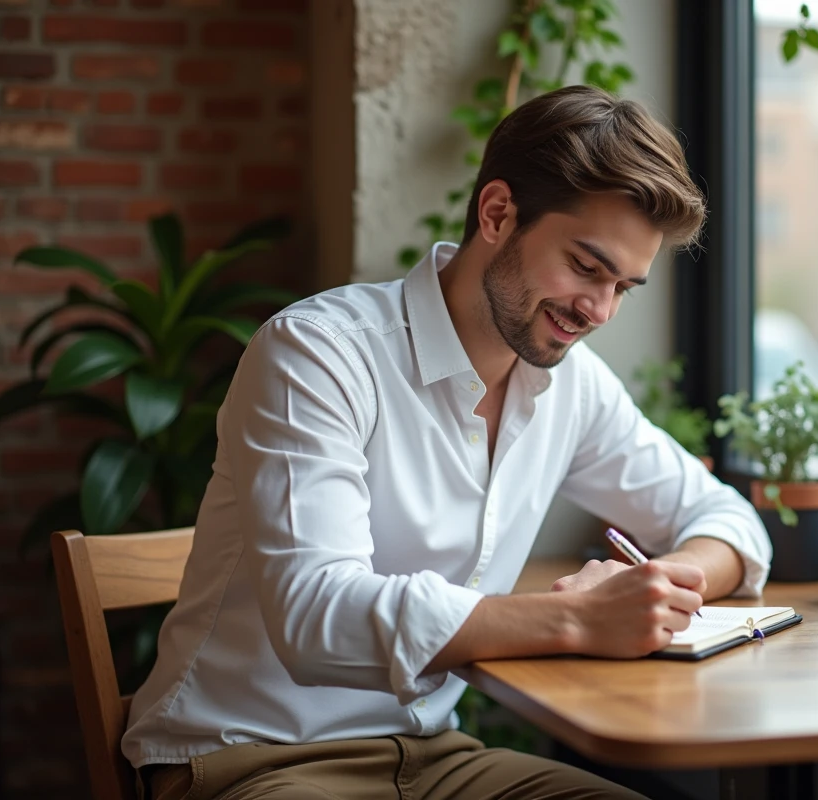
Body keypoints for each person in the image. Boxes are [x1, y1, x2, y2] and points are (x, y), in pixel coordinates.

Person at [123, 84, 772, 800]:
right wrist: (573, 618)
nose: (599, 310)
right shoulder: (318, 353)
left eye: (626, 287)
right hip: (254, 758)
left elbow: (729, 523)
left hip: (438, 759)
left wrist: (652, 590)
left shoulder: (572, 386)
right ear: (497, 213)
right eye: (586, 267)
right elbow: (314, 617)